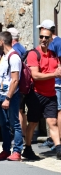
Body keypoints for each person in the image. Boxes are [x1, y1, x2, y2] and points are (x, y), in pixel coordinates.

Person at [24, 23, 61, 160]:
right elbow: (36, 75)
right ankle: (27, 149)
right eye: (41, 37)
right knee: (33, 123)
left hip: (51, 94)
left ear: (51, 38)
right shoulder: (34, 54)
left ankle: (59, 149)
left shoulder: (53, 55)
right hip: (36, 94)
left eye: (46, 37)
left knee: (53, 122)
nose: (44, 39)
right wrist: (54, 74)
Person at [0, 31, 23, 161]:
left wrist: (8, 98)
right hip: (1, 93)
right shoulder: (4, 56)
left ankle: (17, 151)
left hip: (10, 95)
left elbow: (15, 80)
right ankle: (6, 150)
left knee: (15, 123)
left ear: (2, 41)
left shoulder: (14, 57)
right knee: (4, 124)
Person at [39, 20, 61, 150]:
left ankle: (57, 140)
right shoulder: (55, 42)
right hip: (53, 82)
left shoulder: (57, 42)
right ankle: (53, 139)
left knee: (58, 111)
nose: (42, 37)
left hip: (57, 83)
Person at [7, 28, 27, 141]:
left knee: (18, 111)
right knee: (21, 111)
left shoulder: (15, 50)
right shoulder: (21, 47)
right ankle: (23, 134)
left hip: (17, 84)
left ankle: (19, 136)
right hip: (23, 84)